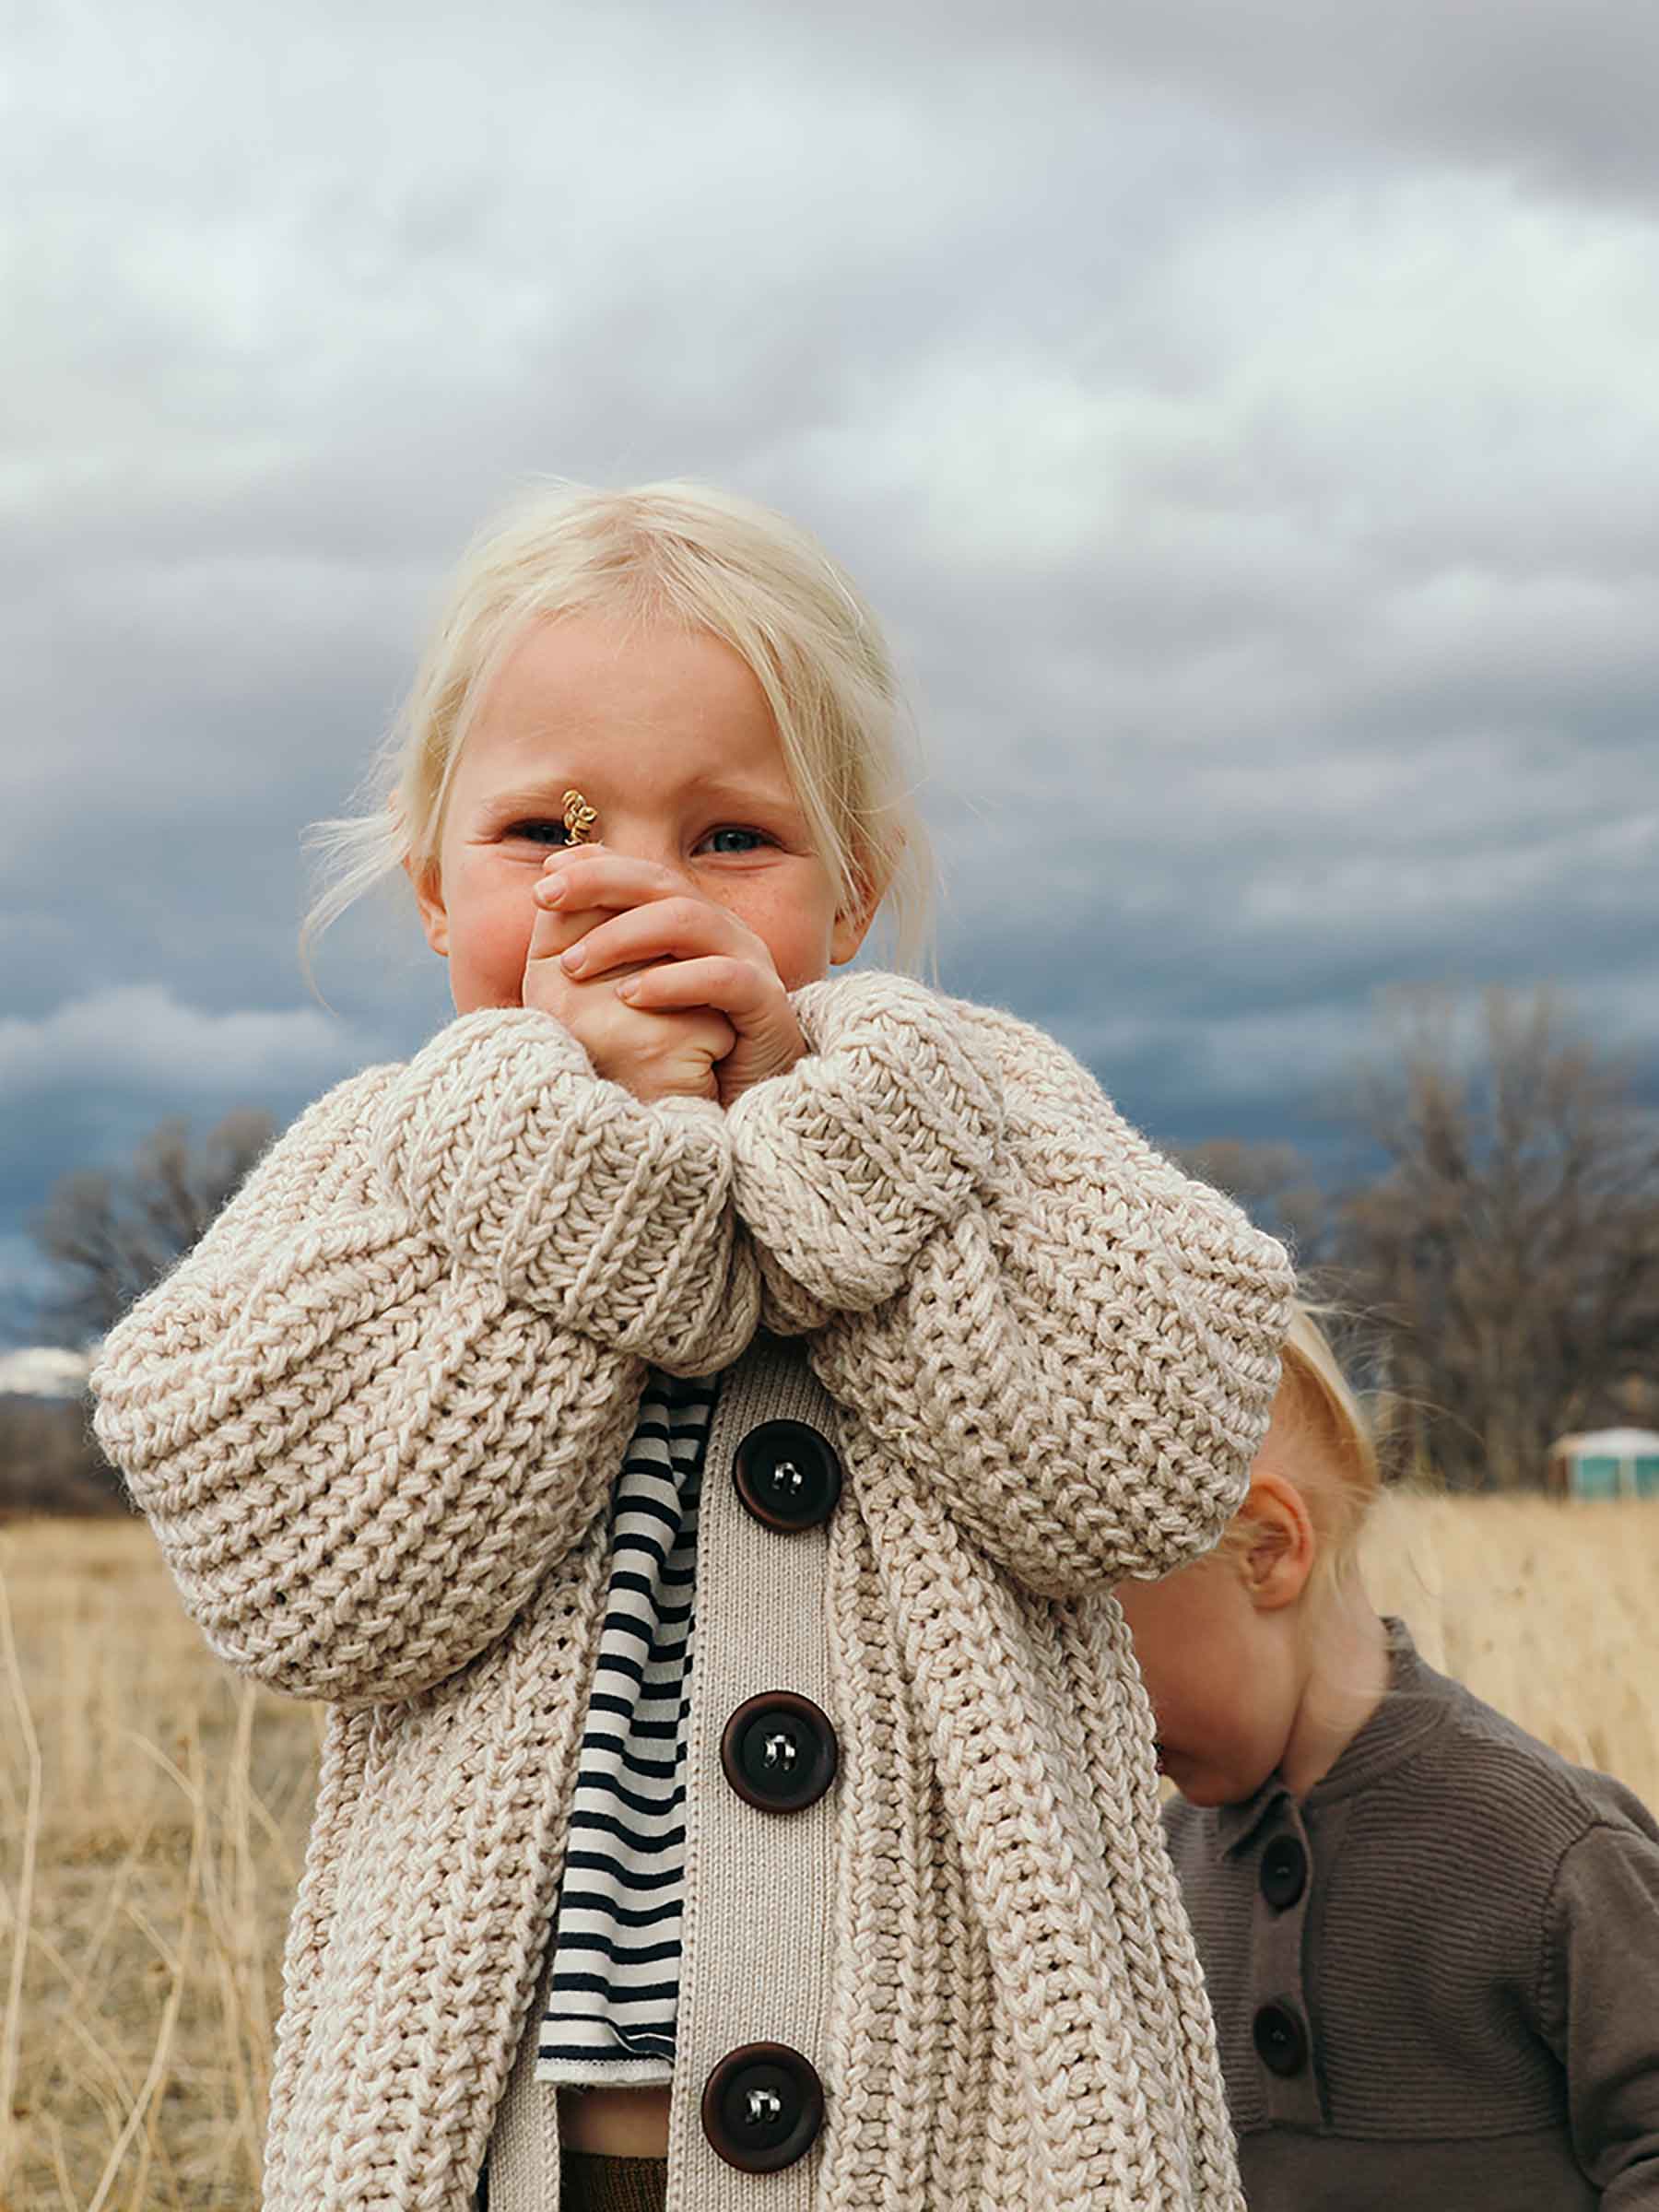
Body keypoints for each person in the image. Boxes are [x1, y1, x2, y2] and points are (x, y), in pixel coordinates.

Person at [90, 479, 1295, 2212]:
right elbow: (312, 1589)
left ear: (854, 889)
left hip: (959, 2133)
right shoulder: (392, 1160)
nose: (636, 894)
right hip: (522, 2141)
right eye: (546, 835)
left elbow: (1138, 1470)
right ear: (434, 890)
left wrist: (826, 1131)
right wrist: (582, 1181)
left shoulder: (969, 1114)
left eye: (730, 838)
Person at [1116, 1300, 1659, 2210]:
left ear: (1268, 1550)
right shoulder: (1158, 1878)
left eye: (1105, 1645)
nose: (1098, 1705)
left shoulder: (1555, 1852)